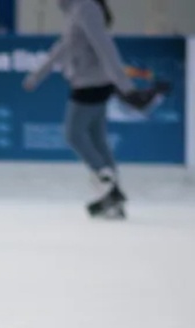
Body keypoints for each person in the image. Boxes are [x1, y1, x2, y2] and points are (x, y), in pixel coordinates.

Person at [23, 0, 149, 219]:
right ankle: (113, 201)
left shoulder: (85, 8)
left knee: (74, 134)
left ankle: (108, 187)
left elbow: (104, 46)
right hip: (91, 81)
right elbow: (64, 46)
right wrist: (38, 74)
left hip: (91, 83)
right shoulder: (75, 9)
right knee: (97, 139)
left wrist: (126, 86)